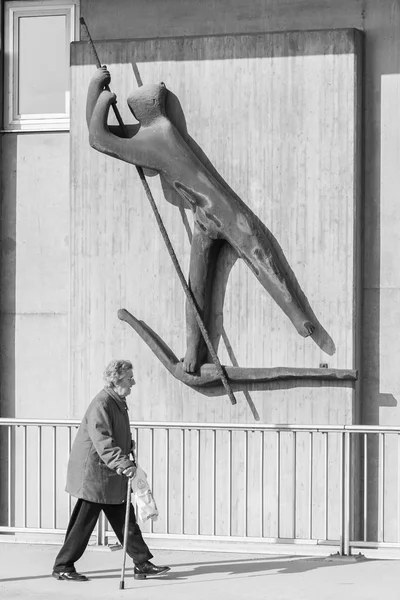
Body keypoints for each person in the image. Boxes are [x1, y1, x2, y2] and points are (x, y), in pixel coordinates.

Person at [86, 67, 315, 374]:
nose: (131, 110)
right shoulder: (150, 134)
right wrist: (96, 90)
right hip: (204, 216)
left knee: (261, 259)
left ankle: (299, 318)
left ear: (144, 109)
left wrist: (100, 96)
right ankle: (194, 352)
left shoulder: (159, 137)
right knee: (196, 288)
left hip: (225, 212)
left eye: (133, 106)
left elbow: (100, 138)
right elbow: (101, 138)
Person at [52, 359, 170, 582]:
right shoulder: (103, 403)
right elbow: (103, 441)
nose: (133, 382)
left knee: (126, 520)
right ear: (116, 379)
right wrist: (123, 463)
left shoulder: (117, 401)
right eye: (129, 378)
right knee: (83, 524)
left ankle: (141, 562)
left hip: (109, 474)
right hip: (96, 475)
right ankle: (63, 565)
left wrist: (128, 446)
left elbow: (113, 434)